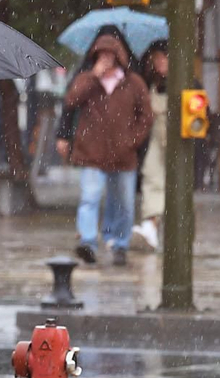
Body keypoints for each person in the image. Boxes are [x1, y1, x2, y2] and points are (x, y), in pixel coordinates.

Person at [61, 29, 153, 267]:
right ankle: (88, 242)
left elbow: (146, 117)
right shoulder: (87, 80)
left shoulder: (133, 83)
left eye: (110, 56)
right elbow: (71, 100)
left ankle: (119, 244)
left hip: (123, 156)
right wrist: (93, 76)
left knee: (124, 203)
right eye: (101, 55)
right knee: (89, 198)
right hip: (91, 154)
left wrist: (132, 141)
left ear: (119, 57)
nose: (106, 60)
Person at [134, 41, 169, 251]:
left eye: (164, 58)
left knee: (173, 185)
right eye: (157, 58)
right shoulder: (148, 82)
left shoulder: (188, 82)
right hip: (155, 138)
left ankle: (159, 227)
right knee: (152, 177)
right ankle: (151, 225)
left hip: (177, 141)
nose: (161, 62)